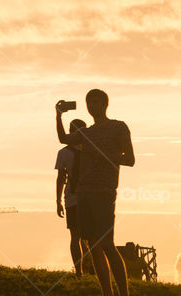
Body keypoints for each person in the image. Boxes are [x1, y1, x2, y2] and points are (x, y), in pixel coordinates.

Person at [57, 89, 135, 296]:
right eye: (89, 102)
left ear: (105, 104)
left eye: (96, 102)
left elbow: (130, 159)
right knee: (93, 245)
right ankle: (106, 293)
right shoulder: (85, 133)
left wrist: (102, 155)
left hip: (104, 191)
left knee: (107, 243)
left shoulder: (118, 127)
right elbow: (64, 138)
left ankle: (124, 293)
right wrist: (58, 115)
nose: (92, 106)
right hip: (84, 193)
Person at [56, 118, 87, 276]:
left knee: (75, 237)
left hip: (72, 198)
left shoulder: (63, 153)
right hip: (90, 197)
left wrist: (58, 201)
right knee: (90, 236)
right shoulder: (91, 150)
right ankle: (91, 269)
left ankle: (79, 272)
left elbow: (61, 178)